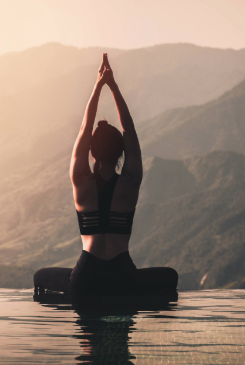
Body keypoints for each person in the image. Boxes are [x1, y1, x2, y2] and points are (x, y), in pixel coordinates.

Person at [34, 53, 178, 295]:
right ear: (121, 150)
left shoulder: (81, 181)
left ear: (92, 151)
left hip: (85, 279)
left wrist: (98, 85)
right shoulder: (130, 181)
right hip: (123, 277)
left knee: (40, 276)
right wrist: (113, 85)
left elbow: (84, 128)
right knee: (170, 277)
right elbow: (129, 129)